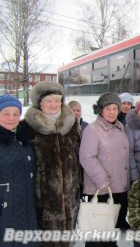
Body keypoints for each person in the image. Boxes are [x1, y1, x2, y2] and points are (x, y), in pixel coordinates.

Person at [24, 81, 81, 240]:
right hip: (42, 195)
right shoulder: (27, 126)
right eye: (48, 101)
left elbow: (78, 154)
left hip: (70, 192)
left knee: (68, 234)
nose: (53, 104)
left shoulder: (72, 125)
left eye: (57, 100)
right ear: (39, 103)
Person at [79, 92, 130, 246]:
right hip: (101, 189)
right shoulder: (92, 130)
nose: (112, 112)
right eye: (108, 108)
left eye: (115, 108)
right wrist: (102, 182)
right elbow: (87, 157)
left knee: (109, 230)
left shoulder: (120, 127)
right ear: (100, 110)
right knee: (98, 233)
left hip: (118, 188)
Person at [0, 95, 38, 247]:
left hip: (27, 209)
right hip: (6, 211)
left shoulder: (22, 140)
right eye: (6, 114)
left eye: (16, 114)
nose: (11, 118)